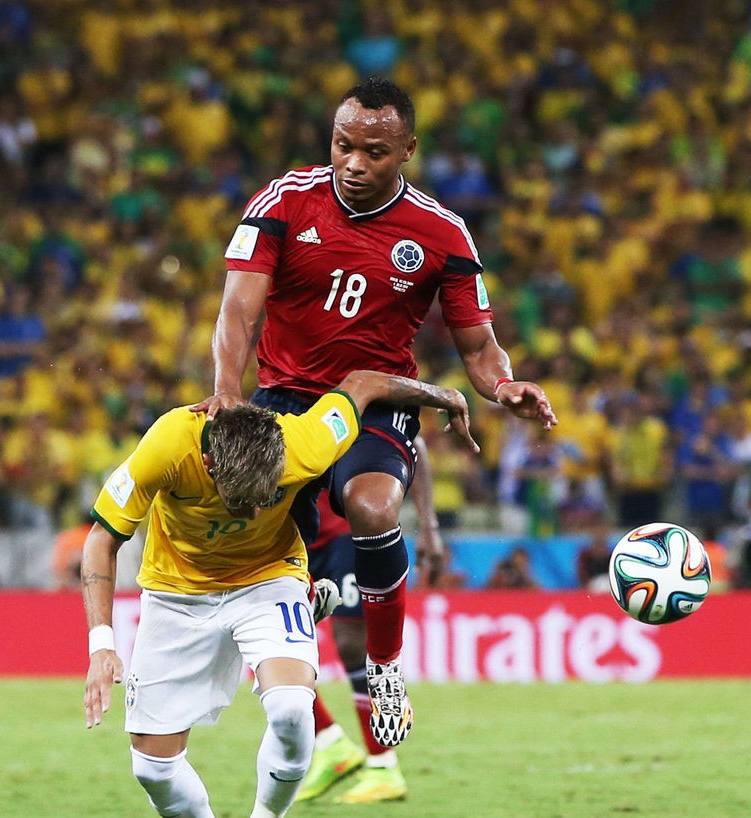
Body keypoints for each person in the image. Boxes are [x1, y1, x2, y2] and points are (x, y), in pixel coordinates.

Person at [196, 76, 557, 748]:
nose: (354, 163)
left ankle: (385, 666)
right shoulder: (283, 201)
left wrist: (505, 387)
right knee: (257, 559)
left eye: (374, 151)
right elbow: (238, 310)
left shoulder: (443, 234)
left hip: (379, 404)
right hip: (285, 402)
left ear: (407, 150)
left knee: (371, 506)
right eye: (343, 145)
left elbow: (479, 348)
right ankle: (316, 699)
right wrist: (227, 393)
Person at [82, 369, 475, 818]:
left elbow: (363, 384)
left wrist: (444, 396)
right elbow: (102, 538)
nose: (249, 513)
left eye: (264, 499)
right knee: (153, 770)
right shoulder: (167, 444)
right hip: (175, 595)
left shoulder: (304, 439)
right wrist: (101, 644)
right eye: (239, 501)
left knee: (292, 708)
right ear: (209, 463)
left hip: (269, 581)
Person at [297, 436, 442, 805]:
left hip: (348, 532)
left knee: (350, 642)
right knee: (263, 638)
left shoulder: (354, 405)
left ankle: (382, 764)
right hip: (297, 535)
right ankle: (329, 742)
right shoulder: (280, 406)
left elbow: (415, 442)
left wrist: (428, 525)